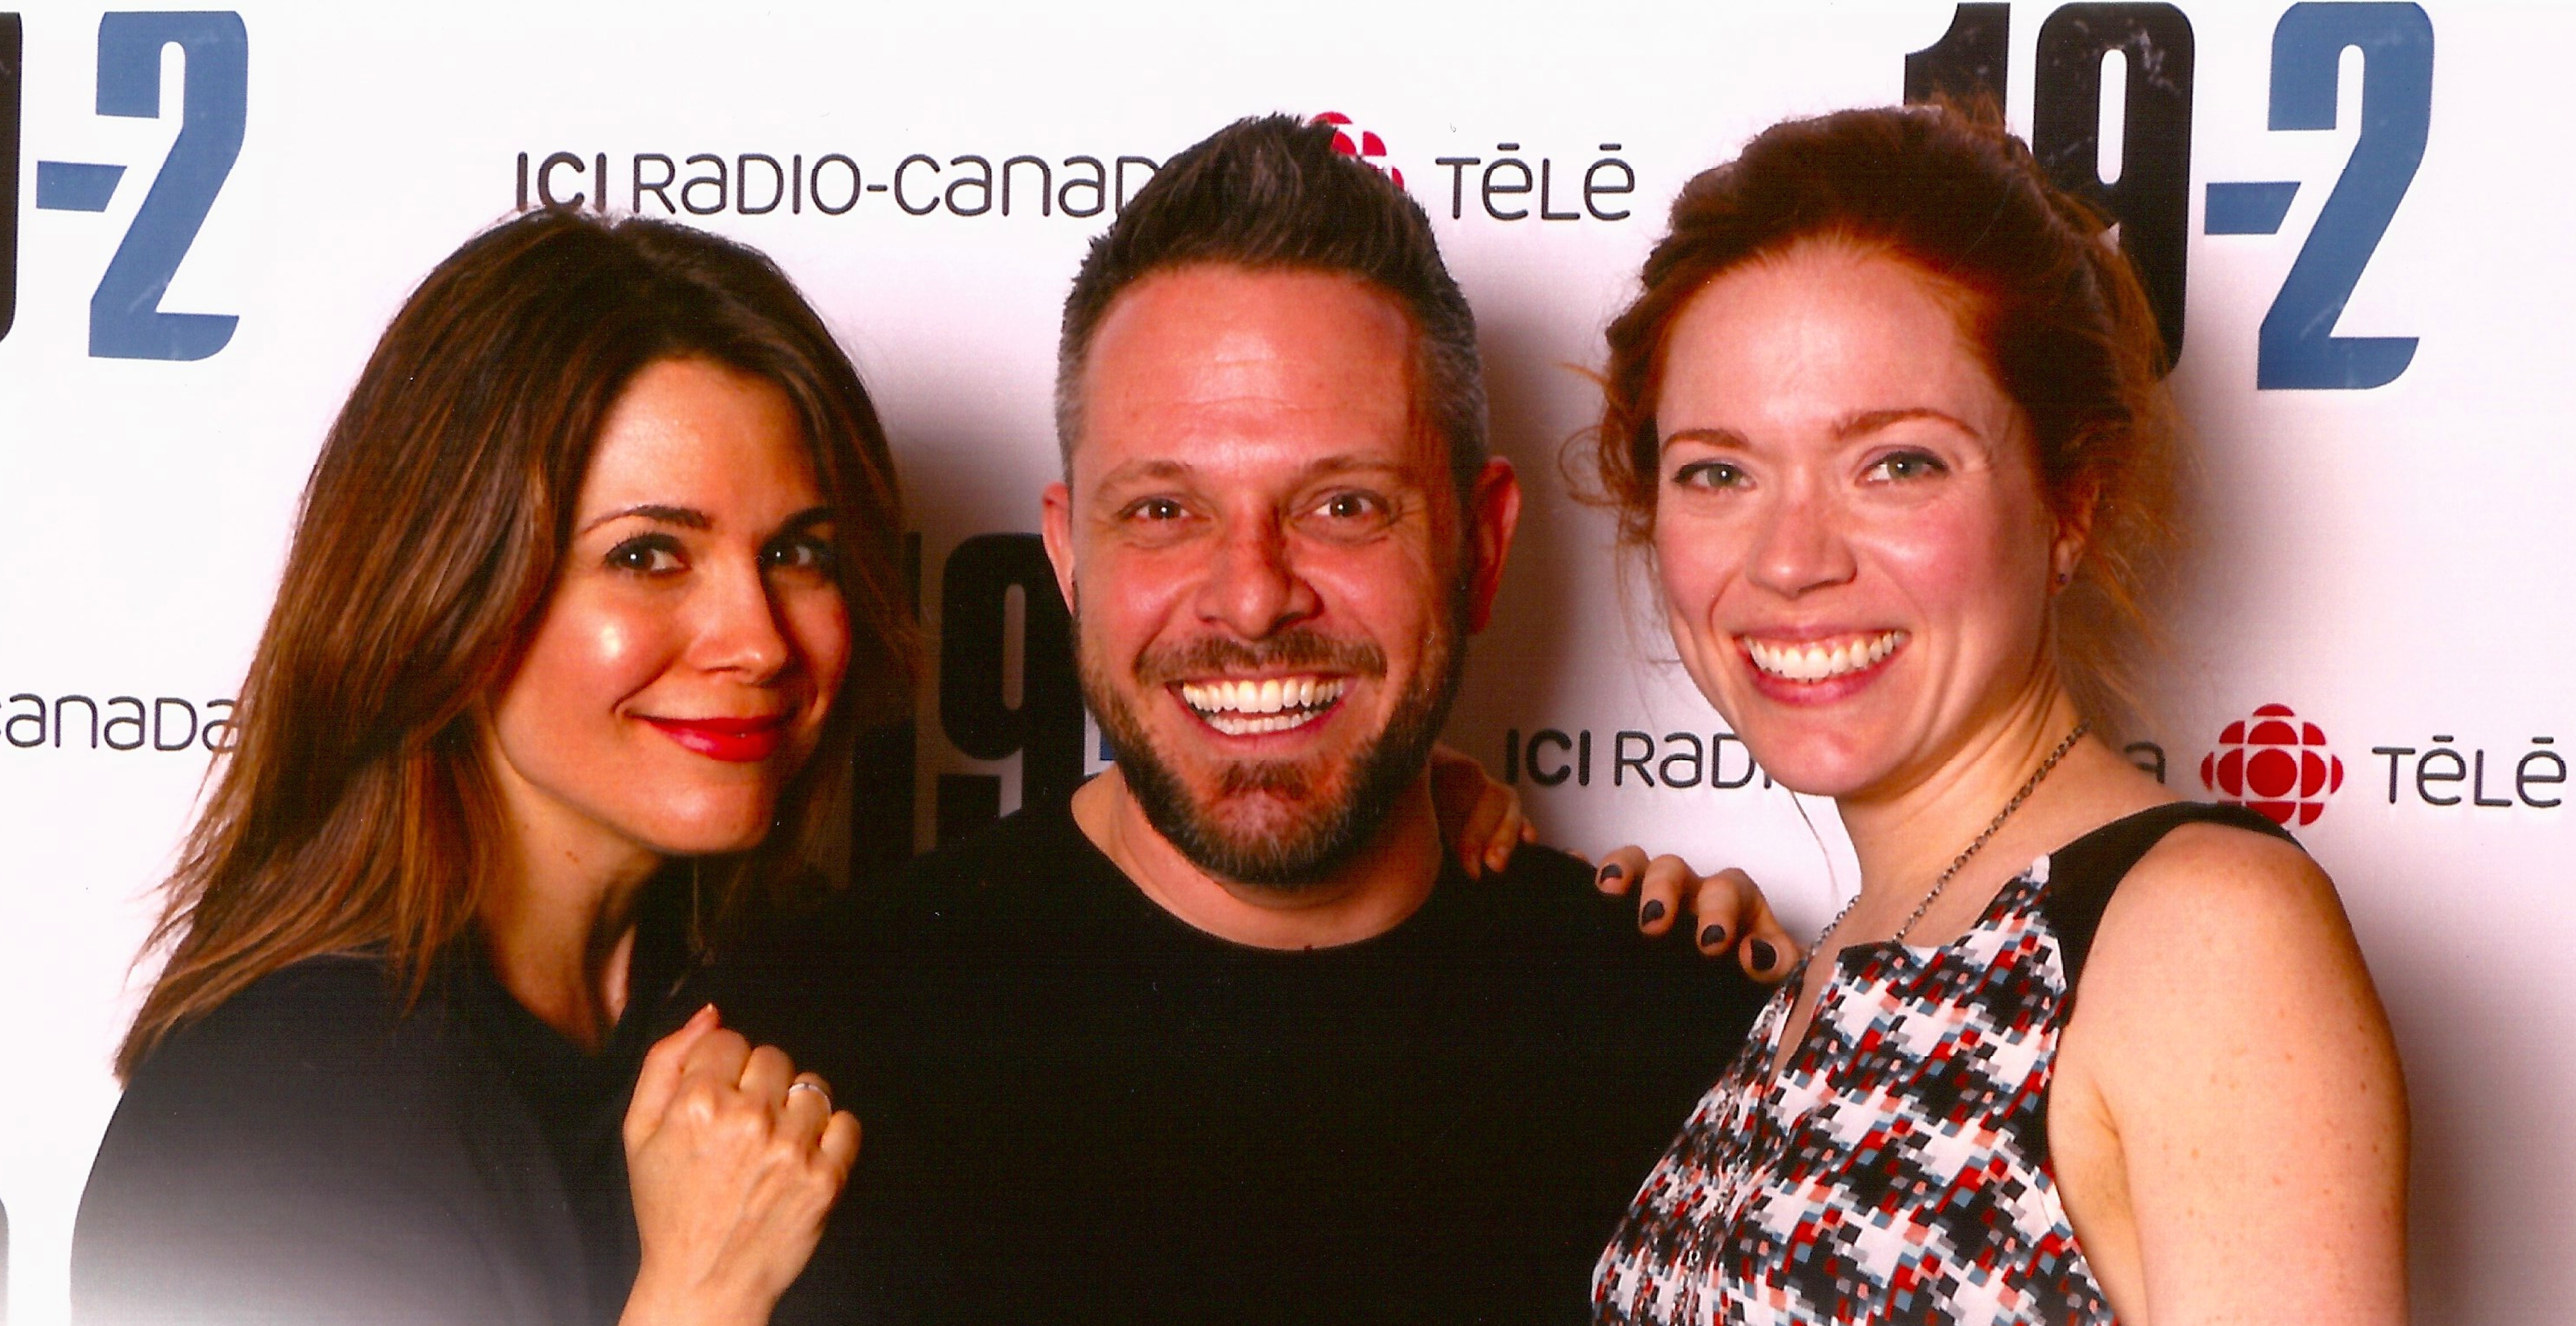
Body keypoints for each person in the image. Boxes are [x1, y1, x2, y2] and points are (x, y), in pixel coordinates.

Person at [711, 114, 1791, 1326]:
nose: (1250, 594)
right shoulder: (788, 1063)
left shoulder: (1707, 1048)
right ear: (1069, 559)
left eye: (1341, 503)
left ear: (1478, 548)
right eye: (1165, 509)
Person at [1581, 106, 2409, 1324]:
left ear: (2068, 501)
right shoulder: (1822, 973)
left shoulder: (2199, 934)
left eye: (1896, 463)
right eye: (1718, 470)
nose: (1790, 557)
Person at [71, 208, 896, 1326]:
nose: (757, 638)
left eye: (797, 552)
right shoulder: (272, 1113)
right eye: (647, 554)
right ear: (448, 589)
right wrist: (702, 1292)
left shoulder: (739, 1022)